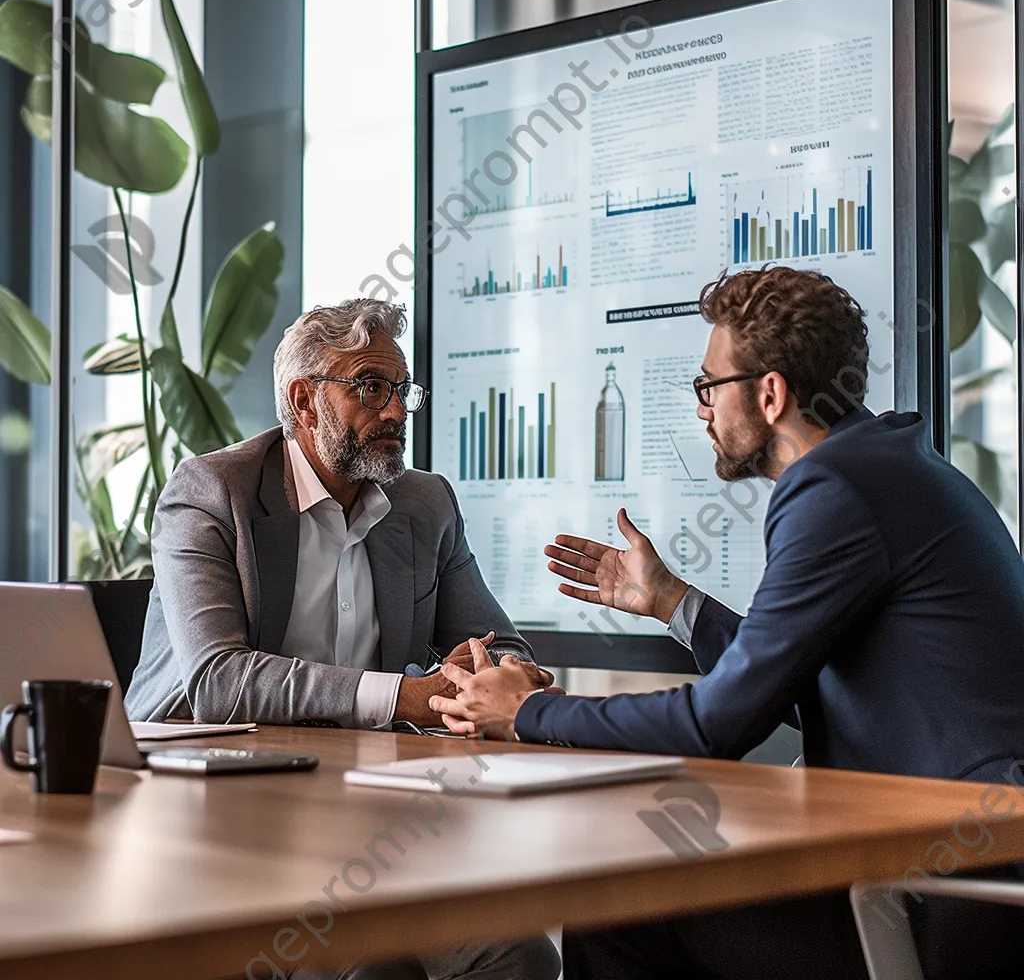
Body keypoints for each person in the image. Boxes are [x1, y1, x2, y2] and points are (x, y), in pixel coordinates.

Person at [430, 267, 1024, 980]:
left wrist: (530, 712)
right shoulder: (883, 467)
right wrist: (671, 601)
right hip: (955, 864)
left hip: (948, 894)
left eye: (709, 385)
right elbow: (799, 686)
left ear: (769, 394)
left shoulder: (832, 489)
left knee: (619, 896)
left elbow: (720, 724)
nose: (702, 408)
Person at [126, 298, 561, 980]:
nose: (395, 412)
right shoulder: (213, 493)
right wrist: (407, 698)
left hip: (365, 812)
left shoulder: (426, 504)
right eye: (370, 388)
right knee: (364, 968)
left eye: (400, 391)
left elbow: (510, 652)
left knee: (520, 955)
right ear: (304, 402)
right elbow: (216, 680)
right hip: (213, 813)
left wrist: (481, 676)